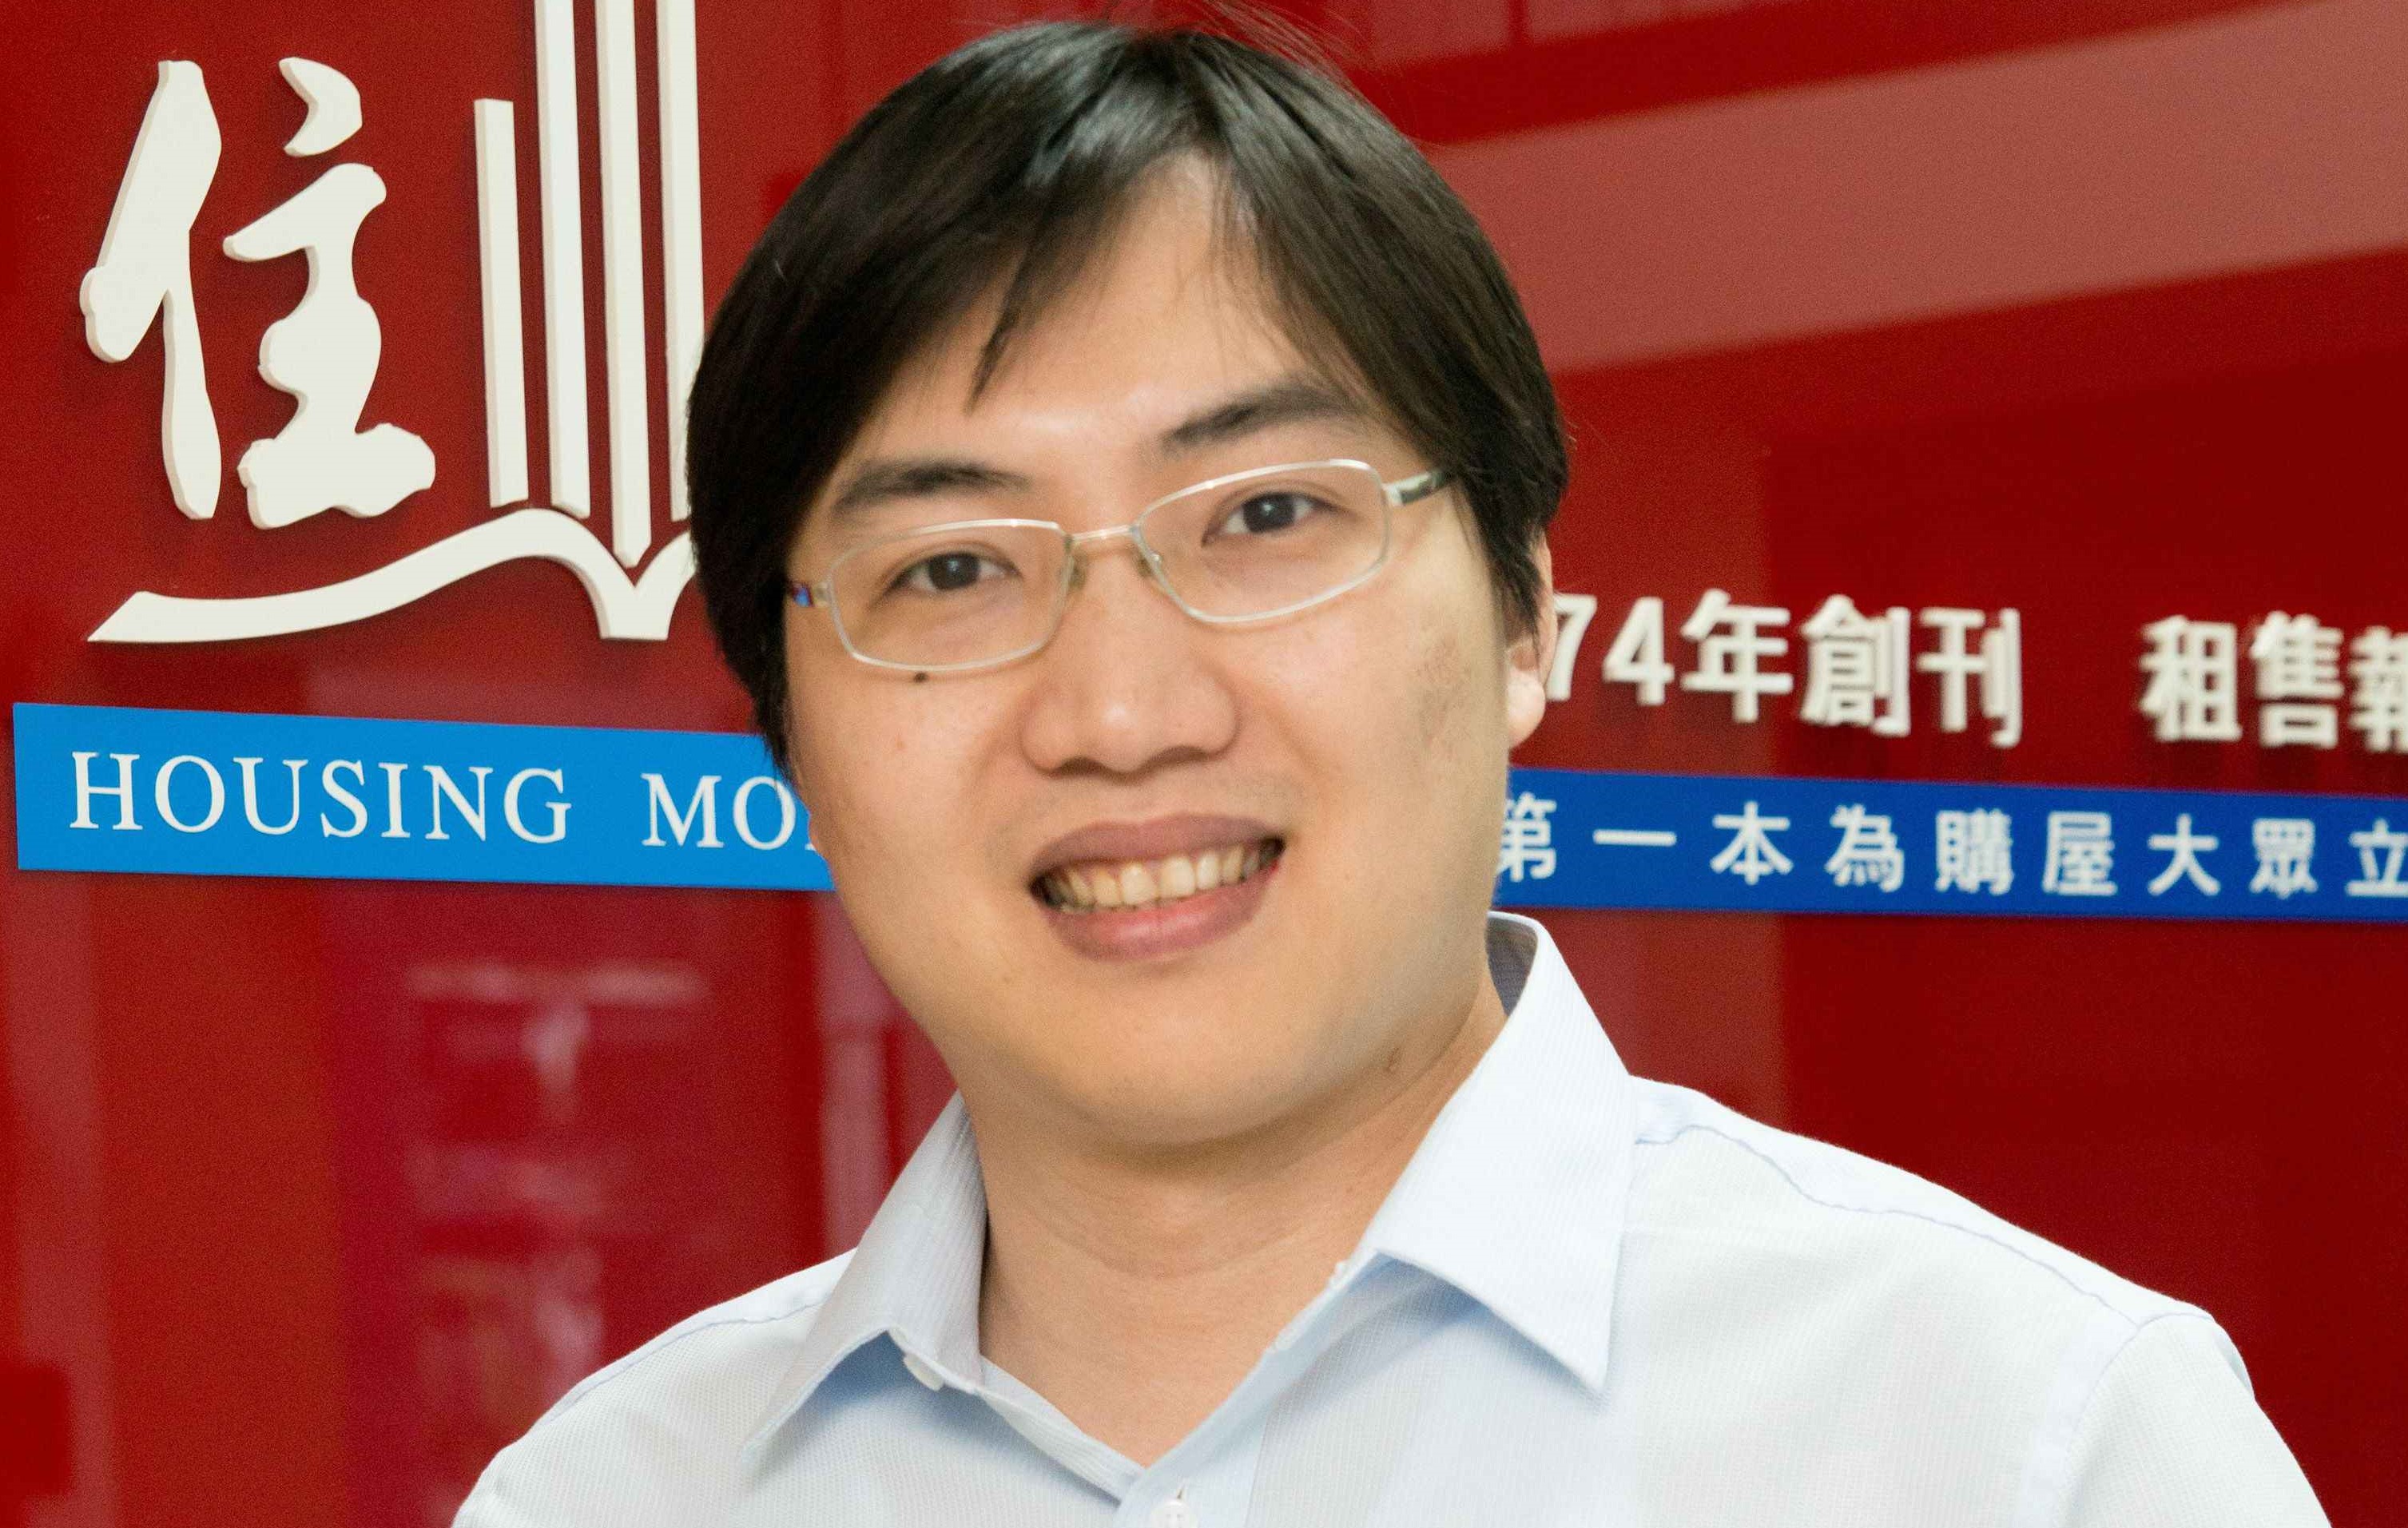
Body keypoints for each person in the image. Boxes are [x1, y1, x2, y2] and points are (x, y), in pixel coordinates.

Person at [456, 18, 2327, 1526]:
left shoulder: (2017, 1443)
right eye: (950, 570)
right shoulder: (616, 1496)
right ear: (789, 729)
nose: (1121, 710)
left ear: (1522, 614)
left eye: (1266, 515)